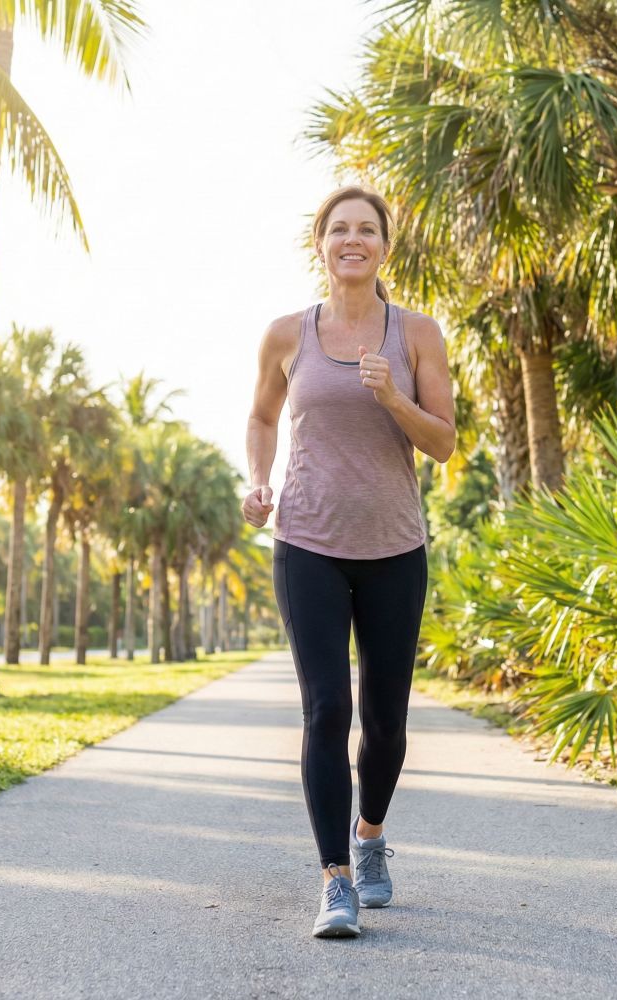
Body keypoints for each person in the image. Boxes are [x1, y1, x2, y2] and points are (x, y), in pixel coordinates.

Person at [242, 186, 455, 939]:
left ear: (385, 248)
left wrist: (394, 397)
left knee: (386, 722)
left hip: (396, 547)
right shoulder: (286, 334)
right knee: (327, 709)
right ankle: (335, 879)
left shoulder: (418, 333)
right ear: (321, 244)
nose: (352, 239)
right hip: (308, 542)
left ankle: (370, 837)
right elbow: (263, 416)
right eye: (339, 229)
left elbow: (443, 442)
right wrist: (258, 479)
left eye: (366, 229)